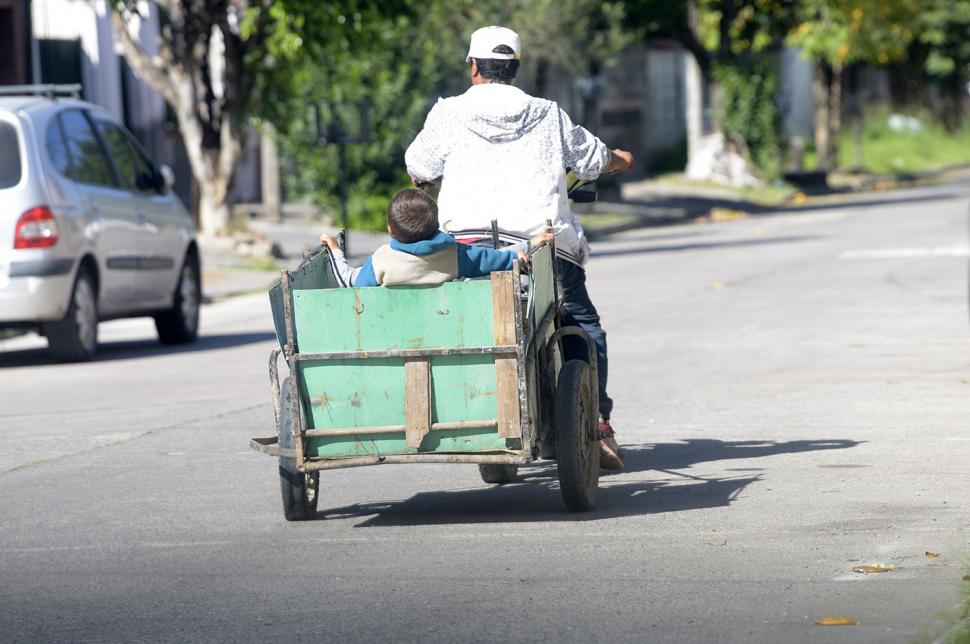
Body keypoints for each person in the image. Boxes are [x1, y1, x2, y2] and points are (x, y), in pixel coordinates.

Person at [404, 26, 634, 470]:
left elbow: (418, 164)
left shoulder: (449, 114)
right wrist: (618, 161)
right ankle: (599, 423)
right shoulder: (548, 113)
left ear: (473, 68)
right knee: (584, 326)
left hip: (467, 251)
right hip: (541, 249)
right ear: (516, 68)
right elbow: (591, 159)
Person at [320, 188, 550, 287]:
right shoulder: (455, 255)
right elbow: (498, 258)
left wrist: (335, 250)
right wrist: (529, 246)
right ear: (436, 224)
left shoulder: (380, 261)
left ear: (390, 229)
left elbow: (348, 280)